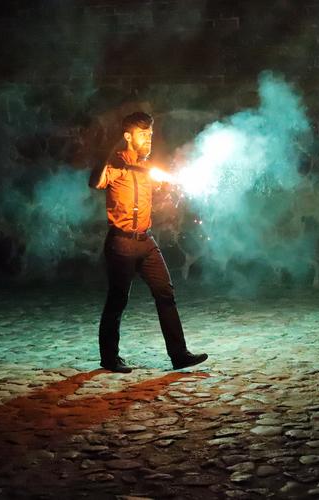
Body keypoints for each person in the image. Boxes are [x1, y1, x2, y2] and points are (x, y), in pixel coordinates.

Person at [88, 111, 208, 373]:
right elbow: (94, 182)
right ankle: (109, 358)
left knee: (166, 294)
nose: (148, 139)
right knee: (117, 300)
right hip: (121, 243)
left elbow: (159, 189)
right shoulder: (115, 165)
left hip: (146, 241)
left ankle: (179, 355)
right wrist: (107, 153)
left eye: (150, 134)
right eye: (143, 134)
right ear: (128, 136)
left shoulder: (147, 167)